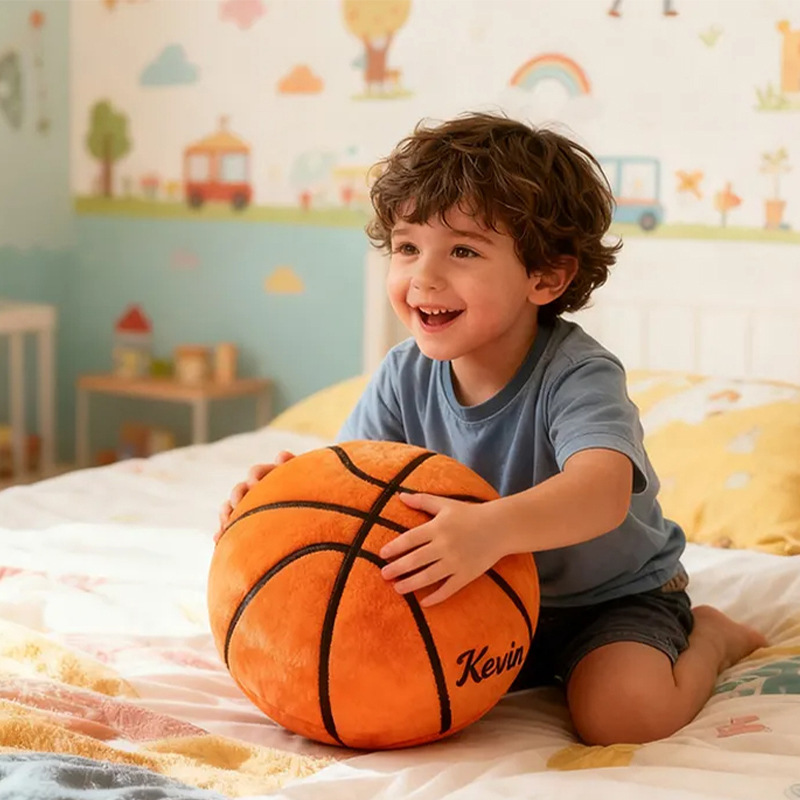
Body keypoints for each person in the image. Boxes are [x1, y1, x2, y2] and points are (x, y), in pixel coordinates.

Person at [216, 112, 765, 746]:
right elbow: (351, 484)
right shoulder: (403, 374)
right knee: (352, 678)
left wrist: (490, 529)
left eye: (464, 251)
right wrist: (277, 503)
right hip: (478, 593)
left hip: (608, 599)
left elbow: (602, 492)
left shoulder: (577, 374)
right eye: (407, 247)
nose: (424, 275)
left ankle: (714, 636)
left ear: (546, 277)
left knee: (622, 718)